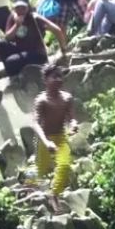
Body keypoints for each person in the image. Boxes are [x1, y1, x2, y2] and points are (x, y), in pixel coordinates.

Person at [32, 64, 78, 213]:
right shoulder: (41, 101)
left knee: (64, 165)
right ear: (45, 80)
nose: (58, 80)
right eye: (54, 77)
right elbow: (36, 125)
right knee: (40, 172)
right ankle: (28, 189)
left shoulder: (67, 98)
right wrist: (46, 142)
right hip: (44, 139)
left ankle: (54, 194)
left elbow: (71, 118)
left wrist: (73, 125)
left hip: (60, 137)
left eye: (60, 76)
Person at [0, 0, 67, 78]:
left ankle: (15, 73)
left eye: (23, 7)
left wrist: (63, 50)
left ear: (28, 7)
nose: (20, 10)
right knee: (1, 45)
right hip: (22, 50)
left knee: (10, 62)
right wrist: (17, 25)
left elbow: (57, 30)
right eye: (17, 8)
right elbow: (8, 38)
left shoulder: (35, 18)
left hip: (37, 53)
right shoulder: (13, 17)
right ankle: (13, 73)